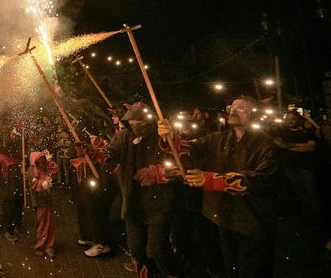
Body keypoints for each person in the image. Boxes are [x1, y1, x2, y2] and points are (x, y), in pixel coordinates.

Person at [183, 96, 280, 278]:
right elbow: (189, 149)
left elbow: (262, 180)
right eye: (232, 107)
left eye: (241, 108)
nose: (233, 111)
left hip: (253, 221)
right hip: (224, 217)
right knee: (230, 268)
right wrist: (170, 137)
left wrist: (213, 180)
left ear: (254, 115)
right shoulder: (217, 139)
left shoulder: (265, 144)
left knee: (251, 270)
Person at [106, 102, 184, 277]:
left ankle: (175, 274)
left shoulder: (163, 137)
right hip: (133, 202)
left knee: (156, 250)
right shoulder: (124, 137)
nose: (135, 128)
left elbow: (180, 165)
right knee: (136, 249)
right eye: (132, 124)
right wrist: (97, 152)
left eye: (139, 124)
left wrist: (156, 172)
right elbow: (110, 154)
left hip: (159, 203)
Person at [28, 149, 58, 258]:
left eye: (43, 159)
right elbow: (33, 183)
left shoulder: (45, 168)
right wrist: (43, 183)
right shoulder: (32, 170)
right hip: (39, 201)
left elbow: (54, 171)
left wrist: (49, 160)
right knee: (42, 224)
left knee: (49, 224)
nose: (42, 161)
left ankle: (49, 246)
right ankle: (40, 245)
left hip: (47, 200)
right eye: (40, 159)